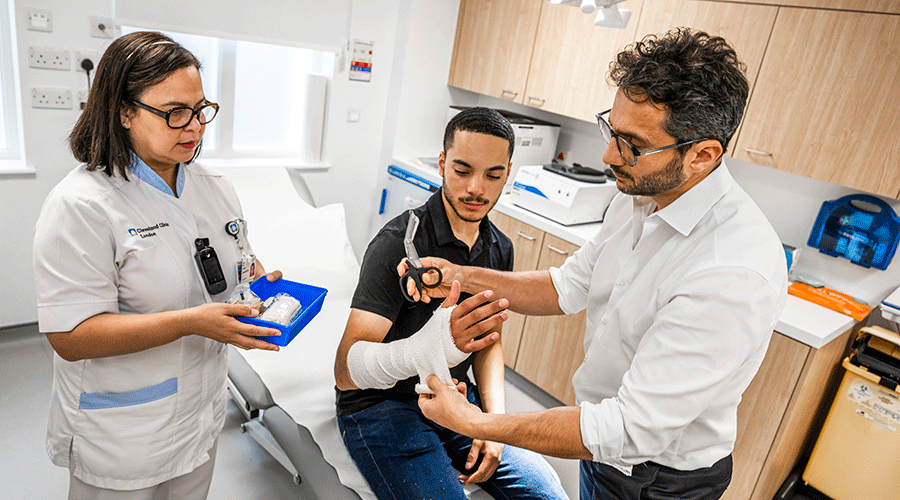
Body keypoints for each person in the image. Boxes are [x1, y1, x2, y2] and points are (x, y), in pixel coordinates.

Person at [405, 29, 788, 500]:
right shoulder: (640, 197)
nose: (609, 155)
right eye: (612, 128)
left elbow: (629, 430)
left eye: (631, 144)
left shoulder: (731, 270)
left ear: (702, 156)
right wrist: (462, 274)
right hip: (600, 447)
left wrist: (478, 422)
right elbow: (566, 286)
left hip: (656, 478)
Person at [32, 31, 284, 500]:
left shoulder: (215, 185)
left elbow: (241, 260)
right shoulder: (82, 205)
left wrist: (256, 283)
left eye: (201, 110)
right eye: (174, 113)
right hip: (121, 430)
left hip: (198, 417)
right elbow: (70, 337)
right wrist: (193, 322)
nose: (194, 127)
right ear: (124, 111)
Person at [333, 107, 569, 499]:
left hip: (456, 393)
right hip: (382, 405)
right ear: (442, 164)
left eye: (493, 175)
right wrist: (425, 348)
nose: (476, 188)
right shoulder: (398, 244)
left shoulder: (499, 249)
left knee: (549, 494)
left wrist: (494, 423)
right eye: (462, 171)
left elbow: (488, 340)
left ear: (507, 174)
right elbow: (345, 371)